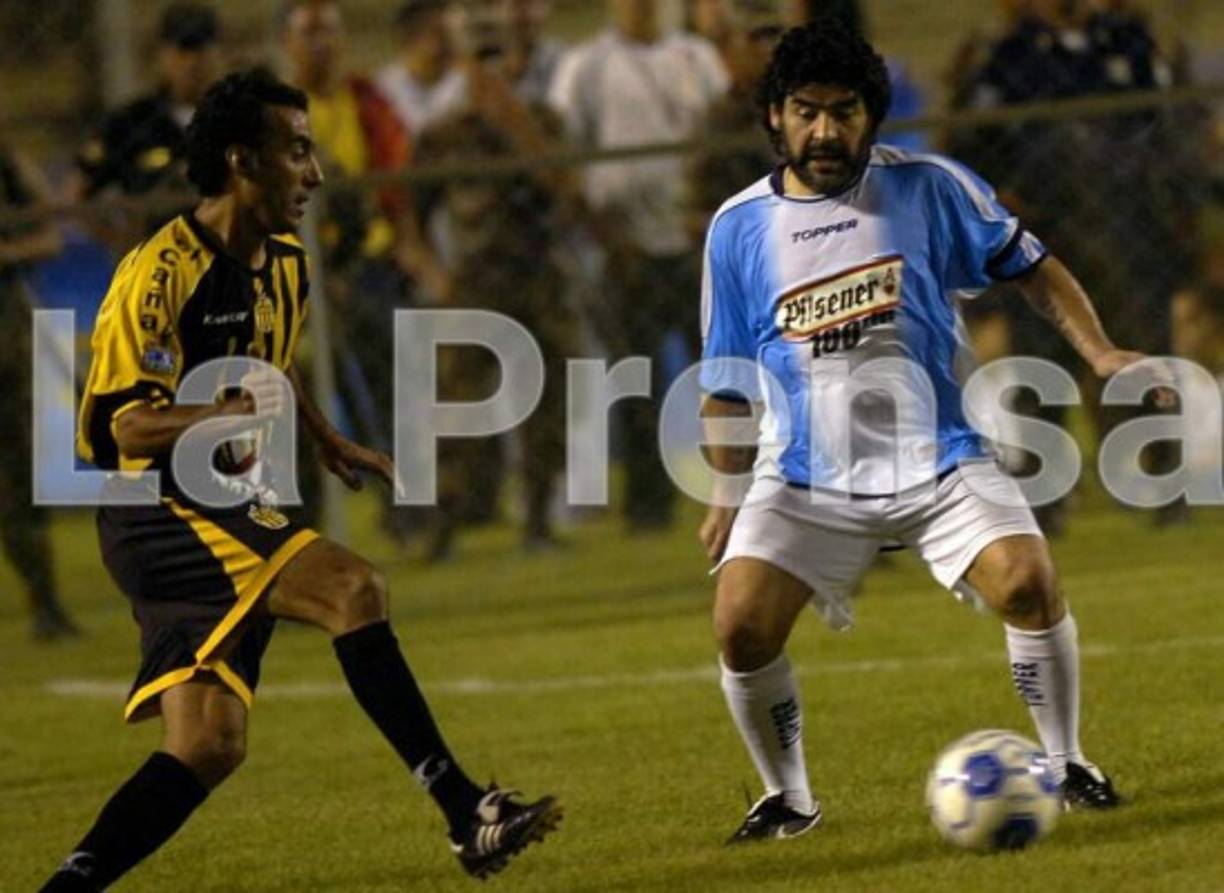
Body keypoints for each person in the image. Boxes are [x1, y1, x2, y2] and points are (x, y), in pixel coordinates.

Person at [40, 68, 559, 892]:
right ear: (242, 161)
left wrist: (326, 438)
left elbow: (271, 368)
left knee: (208, 744)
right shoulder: (159, 271)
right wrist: (222, 413)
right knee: (354, 586)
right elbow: (119, 430)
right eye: (297, 152)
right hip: (159, 507)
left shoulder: (284, 263)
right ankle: (466, 810)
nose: (315, 173)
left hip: (218, 505)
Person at [697, 22, 1133, 842]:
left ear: (872, 115)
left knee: (1028, 582)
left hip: (940, 458)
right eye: (806, 111)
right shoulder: (737, 226)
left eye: (844, 111)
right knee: (739, 625)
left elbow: (1034, 267)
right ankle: (787, 797)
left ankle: (1068, 760)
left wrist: (1100, 351)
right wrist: (726, 493)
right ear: (775, 117)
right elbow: (724, 379)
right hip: (804, 475)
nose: (825, 131)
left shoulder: (931, 186)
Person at [549, 0, 728, 530]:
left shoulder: (698, 58)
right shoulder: (585, 65)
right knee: (637, 377)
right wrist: (603, 231)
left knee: (721, 372)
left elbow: (721, 138)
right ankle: (649, 503)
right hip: (625, 247)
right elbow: (566, 154)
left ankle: (740, 487)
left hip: (697, 241)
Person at [0, 142, 80, 641]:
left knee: (18, 476)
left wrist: (8, 253)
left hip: (6, 339)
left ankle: (46, 604)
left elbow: (50, 237)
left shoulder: (9, 164)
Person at [75, 2, 223, 235]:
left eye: (202, 51)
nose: (192, 63)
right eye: (182, 51)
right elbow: (79, 192)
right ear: (162, 56)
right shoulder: (132, 122)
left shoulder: (241, 116)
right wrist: (119, 239)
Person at [376, 0, 467, 139]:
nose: (453, 45)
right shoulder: (382, 90)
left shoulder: (466, 85)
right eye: (441, 35)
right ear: (411, 36)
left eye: (457, 35)